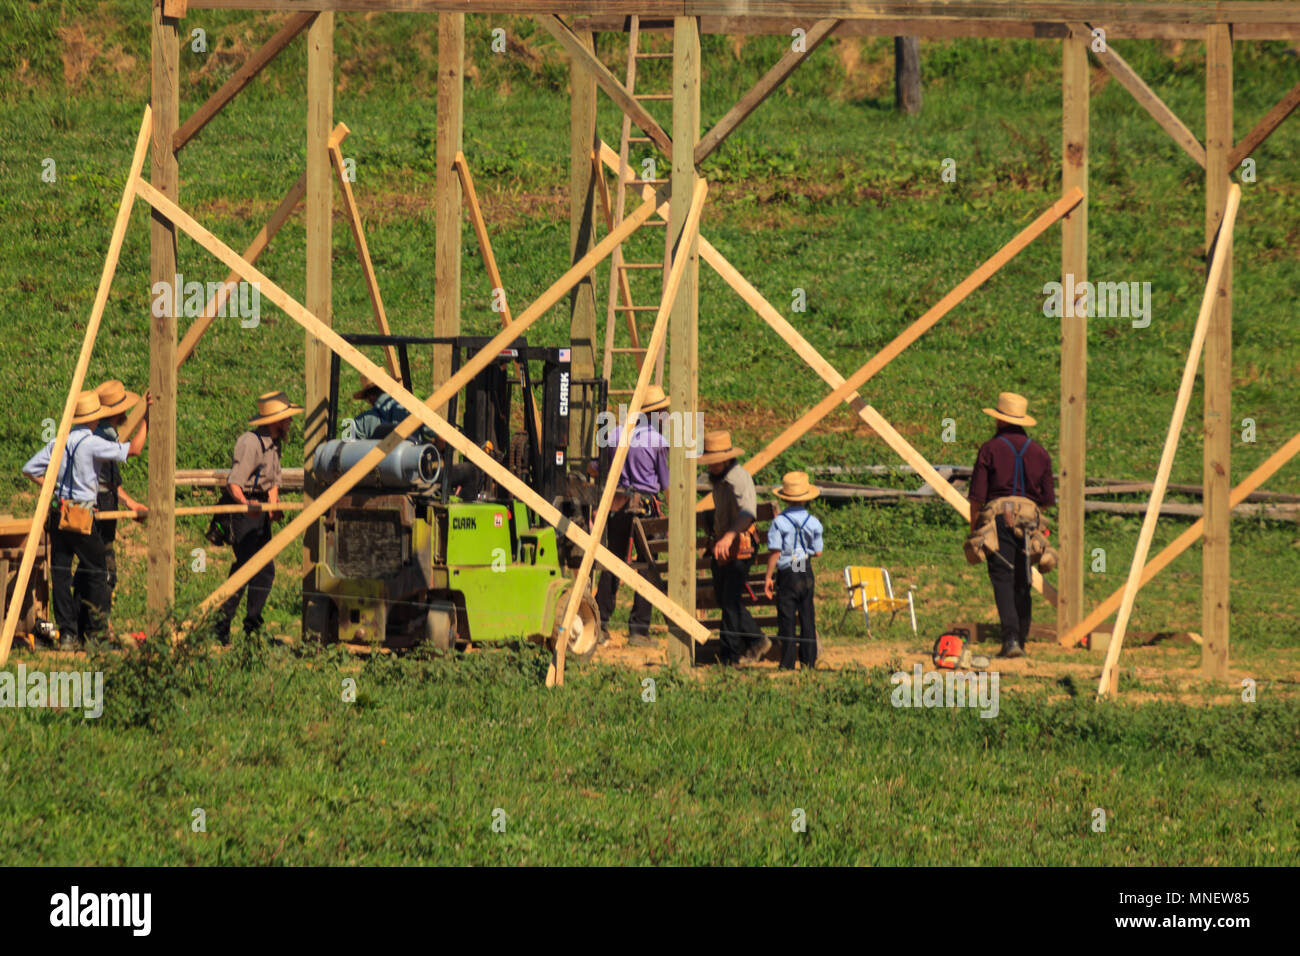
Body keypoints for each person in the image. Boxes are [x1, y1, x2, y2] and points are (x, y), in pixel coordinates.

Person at [22, 387, 152, 648]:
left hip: (59, 513)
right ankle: (96, 634)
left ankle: (68, 634)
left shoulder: (59, 441)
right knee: (98, 570)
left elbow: (29, 468)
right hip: (82, 514)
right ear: (94, 418)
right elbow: (134, 450)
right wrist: (147, 418)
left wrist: (56, 490)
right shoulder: (92, 443)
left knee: (60, 573)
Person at [966, 392, 1056, 659]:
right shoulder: (1040, 453)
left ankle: (1011, 640)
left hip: (999, 518)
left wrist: (975, 531)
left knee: (1003, 578)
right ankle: (1021, 641)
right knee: (1023, 579)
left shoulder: (990, 449)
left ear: (1000, 421)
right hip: (1030, 520)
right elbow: (1047, 501)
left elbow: (977, 498)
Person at [213, 391, 302, 644]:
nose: (290, 423)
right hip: (244, 509)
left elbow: (272, 481)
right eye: (287, 419)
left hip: (260, 508)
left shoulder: (275, 443)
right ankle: (221, 625)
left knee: (264, 570)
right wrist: (246, 504)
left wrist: (273, 505)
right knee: (245, 568)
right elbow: (234, 483)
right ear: (276, 421)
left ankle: (252, 627)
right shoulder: (250, 443)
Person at [594, 385, 670, 647]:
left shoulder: (614, 435)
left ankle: (601, 622)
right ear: (656, 414)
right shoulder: (658, 442)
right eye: (664, 412)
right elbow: (665, 481)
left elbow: (597, 467)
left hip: (617, 506)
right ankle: (639, 629)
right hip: (646, 509)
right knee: (648, 566)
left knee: (612, 563)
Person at [74, 380, 148, 635]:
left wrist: (129, 501)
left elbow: (107, 480)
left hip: (103, 500)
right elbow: (134, 451)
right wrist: (146, 421)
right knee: (104, 568)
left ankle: (81, 625)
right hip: (99, 504)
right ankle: (98, 628)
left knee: (88, 566)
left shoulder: (106, 431)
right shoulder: (104, 433)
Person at [698, 430, 770, 665]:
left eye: (713, 462)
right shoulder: (719, 480)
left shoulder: (739, 478)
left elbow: (748, 514)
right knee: (725, 598)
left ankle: (730, 655)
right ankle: (757, 640)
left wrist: (728, 536)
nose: (710, 467)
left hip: (740, 546)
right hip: (724, 547)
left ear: (726, 459)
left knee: (729, 599)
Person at [764, 471, 824, 671]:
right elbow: (818, 552)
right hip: (804, 568)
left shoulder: (779, 522)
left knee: (787, 618)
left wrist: (768, 577)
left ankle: (787, 662)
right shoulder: (814, 522)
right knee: (807, 616)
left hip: (788, 571)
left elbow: (775, 552)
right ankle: (809, 662)